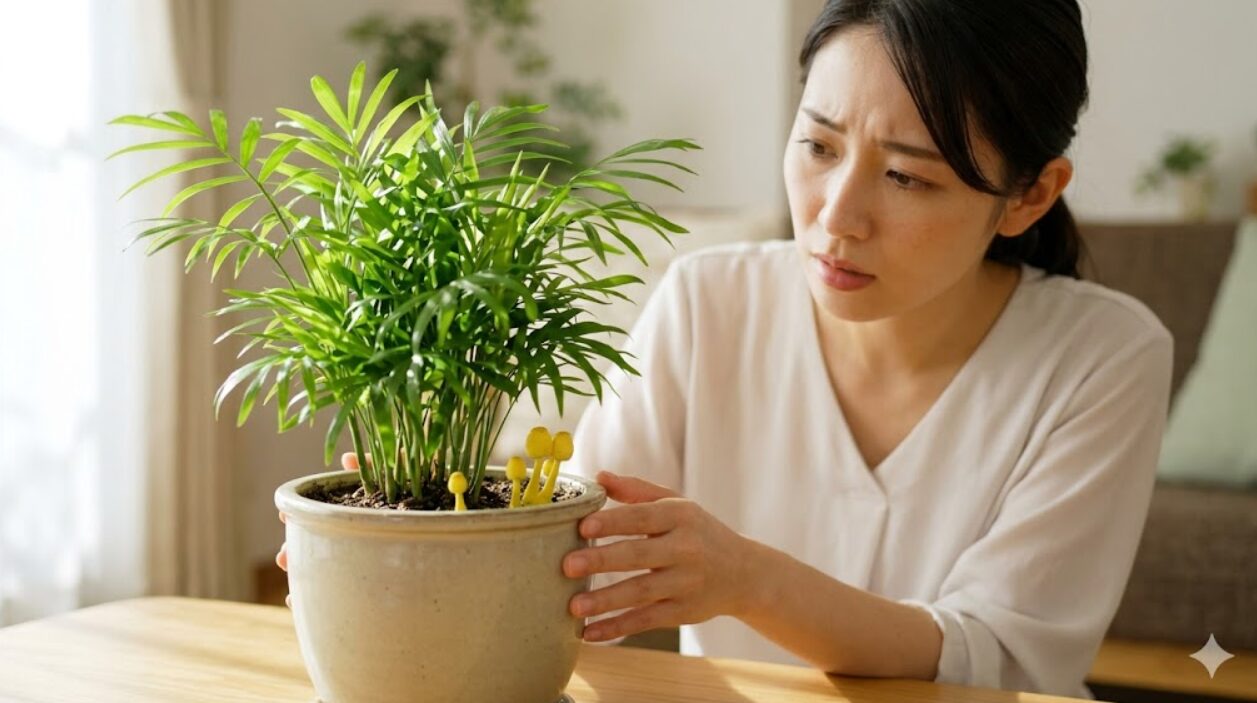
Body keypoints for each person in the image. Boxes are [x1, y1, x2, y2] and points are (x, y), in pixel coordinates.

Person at [279, 0, 1173, 697]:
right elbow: (576, 562)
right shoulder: (709, 299)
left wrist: (746, 577)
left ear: (1028, 196)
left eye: (905, 175)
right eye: (817, 145)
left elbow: (997, 657)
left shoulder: (1103, 355)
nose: (835, 214)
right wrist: (410, 539)